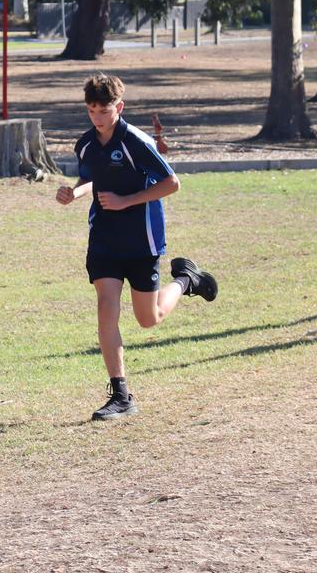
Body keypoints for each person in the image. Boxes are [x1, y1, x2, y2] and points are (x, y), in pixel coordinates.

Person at [55, 73, 218, 421]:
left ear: (120, 107)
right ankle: (121, 394)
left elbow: (171, 183)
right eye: (92, 110)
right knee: (106, 306)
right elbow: (91, 177)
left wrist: (126, 200)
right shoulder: (85, 144)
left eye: (104, 110)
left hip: (142, 239)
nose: (98, 118)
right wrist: (74, 192)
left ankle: (186, 280)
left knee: (149, 318)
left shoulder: (136, 142)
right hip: (104, 238)